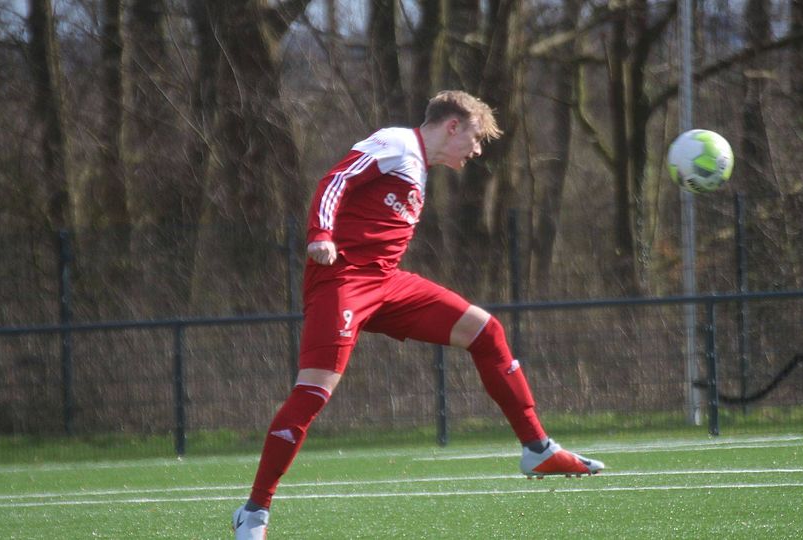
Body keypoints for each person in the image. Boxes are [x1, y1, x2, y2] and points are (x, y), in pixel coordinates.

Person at [232, 90, 604, 539]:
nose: (477, 150)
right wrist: (320, 233)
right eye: (476, 137)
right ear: (453, 126)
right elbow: (336, 179)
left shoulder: (419, 169)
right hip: (343, 280)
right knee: (311, 394)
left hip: (387, 283)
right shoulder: (397, 143)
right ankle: (254, 512)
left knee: (486, 330)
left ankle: (538, 449)